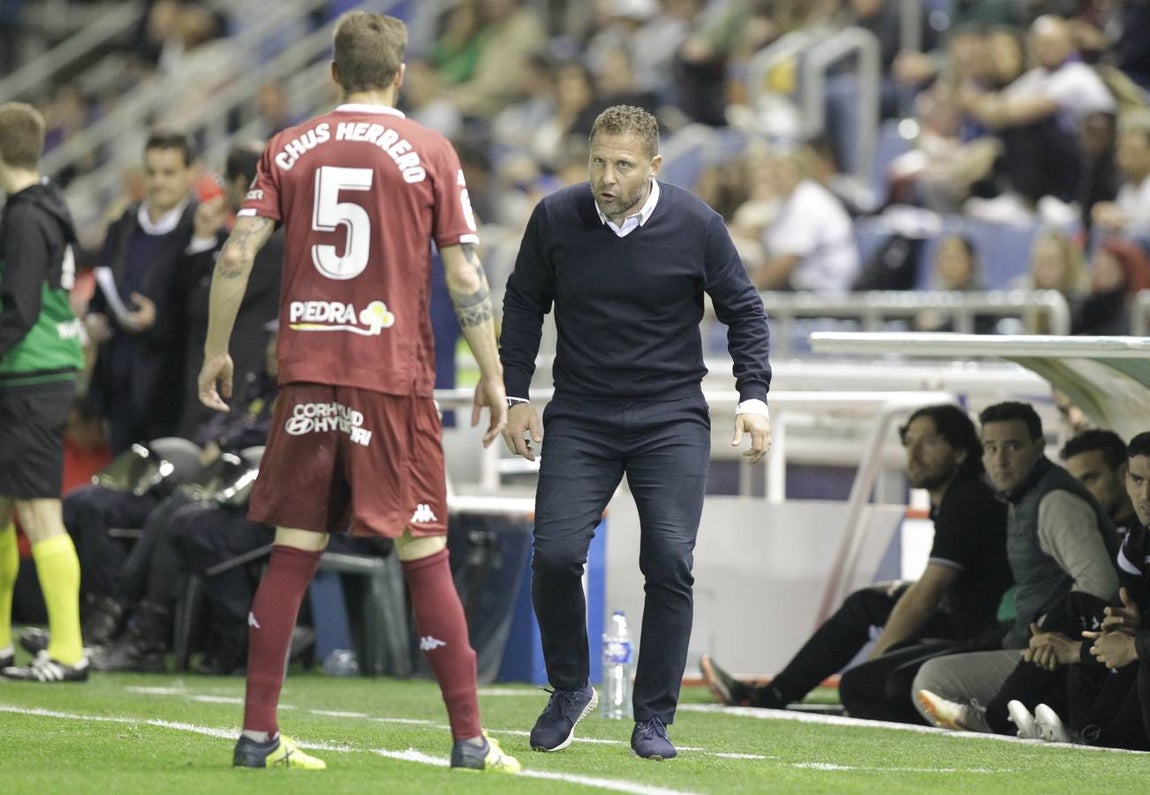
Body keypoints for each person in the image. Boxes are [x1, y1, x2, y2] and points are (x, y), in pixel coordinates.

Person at [196, 11, 519, 774]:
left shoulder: (288, 146)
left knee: (293, 548)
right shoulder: (430, 150)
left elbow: (238, 251)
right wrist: (495, 374)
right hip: (390, 374)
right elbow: (466, 272)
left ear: (332, 73)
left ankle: (257, 734)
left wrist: (216, 348)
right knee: (425, 548)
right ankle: (470, 739)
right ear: (399, 74)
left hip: (305, 366)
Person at [498, 104, 773, 760]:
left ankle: (654, 717)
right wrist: (515, 394)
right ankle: (570, 687)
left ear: (654, 166)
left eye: (622, 164)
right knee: (557, 554)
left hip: (670, 416)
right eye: (597, 160)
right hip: (583, 414)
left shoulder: (698, 224)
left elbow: (745, 310)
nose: (605, 176)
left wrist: (754, 398)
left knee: (670, 561)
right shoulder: (555, 217)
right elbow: (522, 302)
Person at [701, 404, 1012, 724]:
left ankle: (778, 695)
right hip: (963, 618)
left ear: (960, 453)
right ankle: (774, 694)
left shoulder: (967, 502)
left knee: (861, 684)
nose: (914, 454)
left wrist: (872, 670)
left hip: (978, 633)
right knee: (867, 605)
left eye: (929, 442)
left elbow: (927, 594)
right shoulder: (957, 499)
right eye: (909, 441)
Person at [914, 401, 1120, 727]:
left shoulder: (1055, 502)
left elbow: (1099, 585)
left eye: (1013, 446)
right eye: (991, 448)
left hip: (1054, 652)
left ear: (1039, 448)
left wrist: (1052, 634)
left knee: (929, 680)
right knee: (911, 677)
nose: (1000, 460)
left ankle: (999, 724)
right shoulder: (1021, 494)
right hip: (1029, 643)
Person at [0, 101, 88, 682]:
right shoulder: (45, 210)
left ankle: (68, 650)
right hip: (34, 375)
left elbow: (19, 309)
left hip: (32, 377)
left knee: (38, 512)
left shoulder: (24, 220)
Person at [85, 129, 201, 454]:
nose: (158, 181)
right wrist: (95, 317)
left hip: (170, 391)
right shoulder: (122, 227)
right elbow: (100, 293)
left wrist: (159, 319)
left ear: (191, 173)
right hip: (120, 388)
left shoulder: (201, 234)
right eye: (151, 172)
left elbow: (201, 314)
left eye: (169, 172)